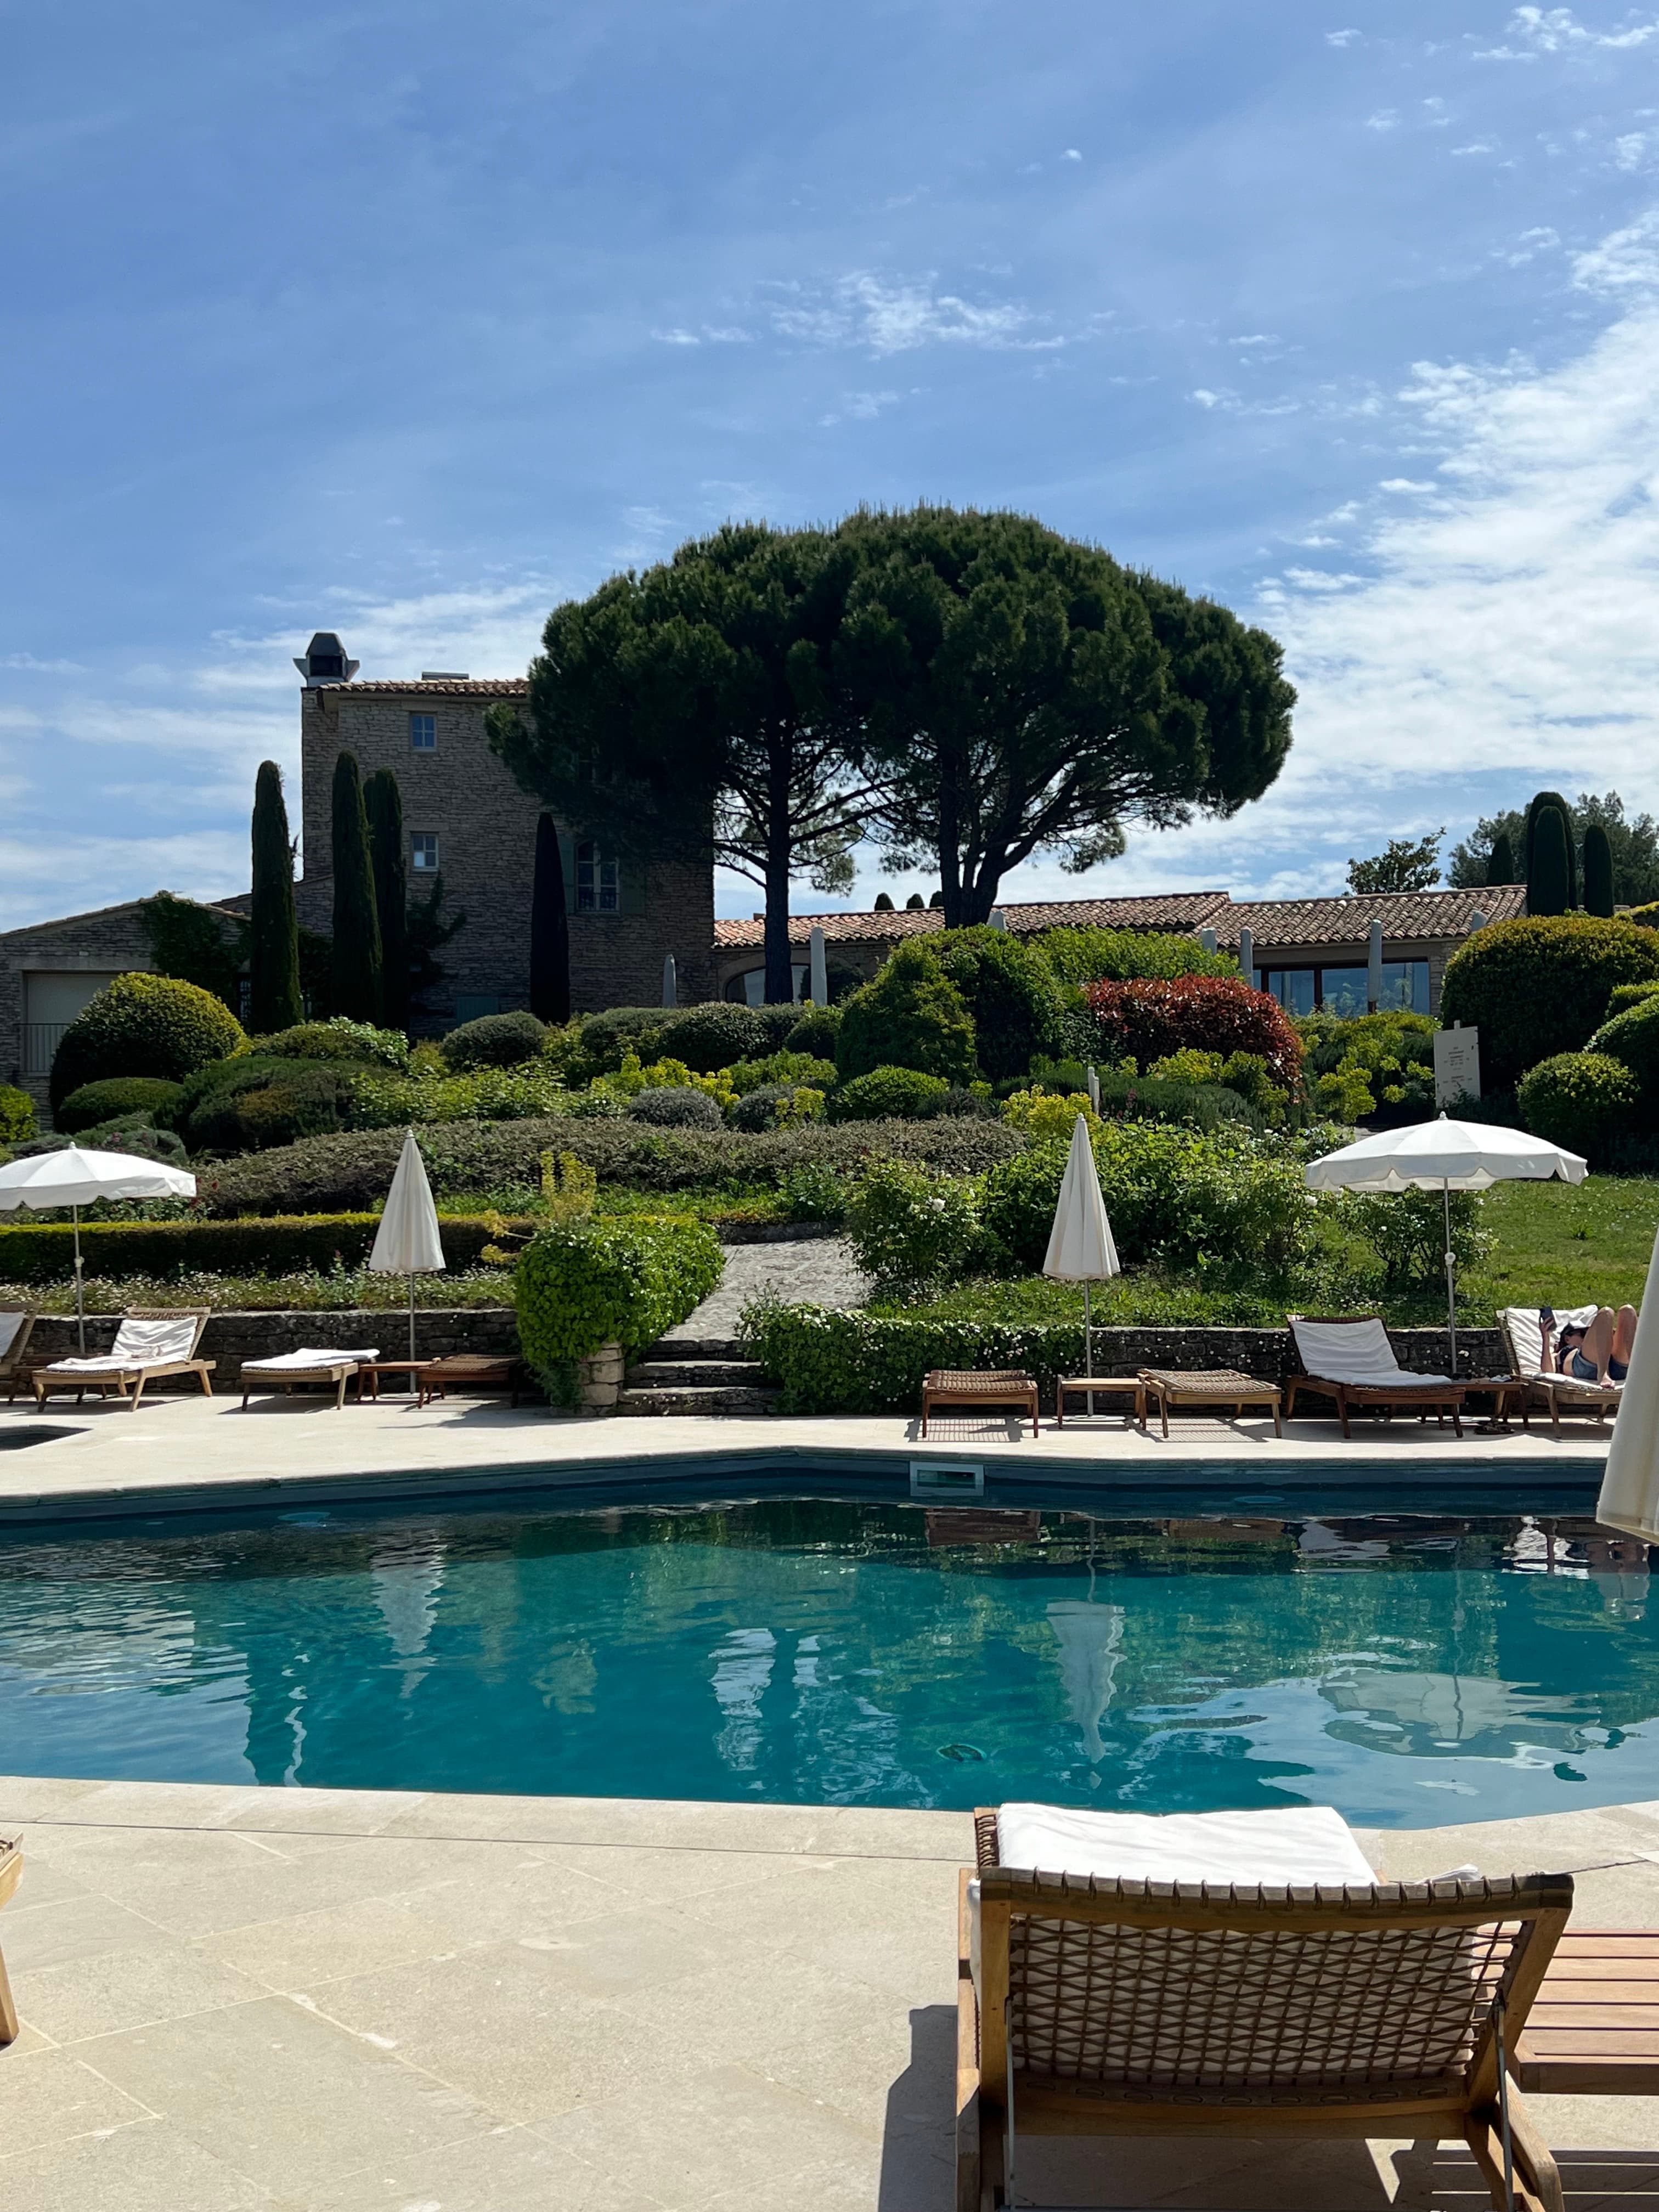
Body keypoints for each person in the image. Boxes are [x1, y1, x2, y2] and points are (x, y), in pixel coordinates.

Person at [1540, 1305, 1638, 1386]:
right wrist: (1546, 1337)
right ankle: (1603, 1374)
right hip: (1584, 1366)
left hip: (1616, 1366)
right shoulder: (1557, 1354)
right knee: (1605, 1313)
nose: (1587, 1336)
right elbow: (1548, 1371)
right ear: (1567, 1339)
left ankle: (1636, 1370)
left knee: (1628, 1311)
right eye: (1583, 1334)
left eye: (1589, 1333)